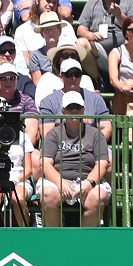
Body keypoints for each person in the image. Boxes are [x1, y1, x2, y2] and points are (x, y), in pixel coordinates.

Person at [39, 91, 110, 226]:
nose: (74, 111)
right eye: (70, 107)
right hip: (58, 180)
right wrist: (60, 182)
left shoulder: (96, 134)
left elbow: (102, 164)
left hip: (87, 179)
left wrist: (89, 182)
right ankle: (55, 236)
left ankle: (83, 237)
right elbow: (45, 163)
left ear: (84, 110)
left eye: (78, 107)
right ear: (63, 111)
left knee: (97, 196)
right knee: (48, 194)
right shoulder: (53, 134)